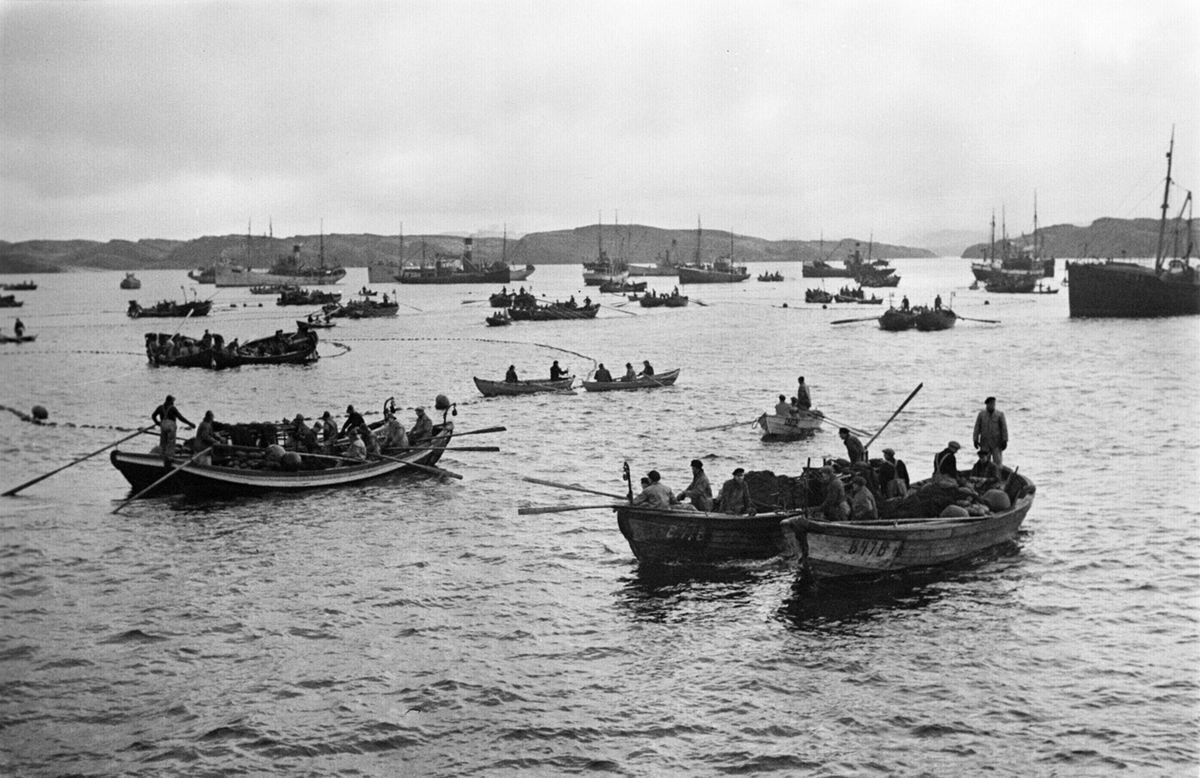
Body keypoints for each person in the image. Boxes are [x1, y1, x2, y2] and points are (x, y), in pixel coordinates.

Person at [973, 396, 1009, 466]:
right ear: (987, 404)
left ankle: (997, 475)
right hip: (984, 443)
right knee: (984, 461)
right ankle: (985, 475)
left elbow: (1004, 428)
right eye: (991, 404)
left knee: (998, 461)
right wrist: (975, 440)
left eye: (994, 404)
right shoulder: (981, 415)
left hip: (997, 443)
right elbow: (977, 428)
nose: (993, 405)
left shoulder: (1000, 415)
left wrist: (1005, 440)